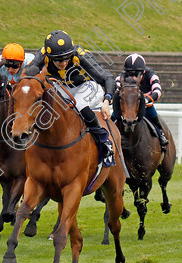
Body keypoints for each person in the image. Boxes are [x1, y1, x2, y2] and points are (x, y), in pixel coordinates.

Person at [25, 30, 115, 167]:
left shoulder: (79, 54)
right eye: (59, 60)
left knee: (77, 104)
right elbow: (29, 71)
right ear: (49, 56)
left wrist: (107, 101)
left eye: (67, 58)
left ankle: (104, 141)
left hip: (86, 86)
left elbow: (107, 78)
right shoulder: (42, 54)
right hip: (63, 86)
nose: (64, 63)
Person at [112, 54, 169, 148]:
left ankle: (161, 134)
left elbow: (158, 91)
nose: (133, 77)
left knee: (153, 115)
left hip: (145, 104)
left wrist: (146, 99)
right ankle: (106, 136)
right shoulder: (121, 77)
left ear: (143, 72)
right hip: (128, 105)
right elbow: (116, 89)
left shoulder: (151, 75)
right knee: (113, 116)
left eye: (136, 74)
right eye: (130, 74)